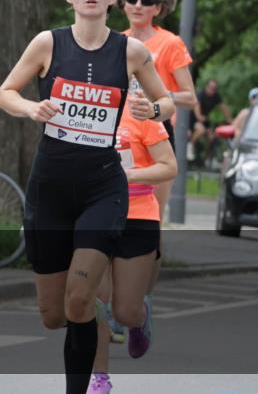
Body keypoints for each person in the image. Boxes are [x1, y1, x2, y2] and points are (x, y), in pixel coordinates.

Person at [0, 0, 174, 394]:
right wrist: (31, 107)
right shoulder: (47, 44)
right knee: (54, 313)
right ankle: (87, 318)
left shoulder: (131, 51)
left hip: (102, 187)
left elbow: (167, 102)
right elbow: (4, 93)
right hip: (51, 187)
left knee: (79, 299)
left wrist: (149, 109)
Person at [88, 96, 178, 394]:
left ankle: (139, 317)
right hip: (94, 213)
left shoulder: (141, 110)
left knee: (124, 311)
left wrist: (127, 175)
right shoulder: (81, 109)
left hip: (138, 215)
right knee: (96, 302)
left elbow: (168, 166)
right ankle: (99, 377)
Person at [118, 0, 197, 214]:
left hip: (157, 130)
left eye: (147, 1)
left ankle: (152, 249)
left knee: (153, 213)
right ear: (124, 5)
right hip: (122, 130)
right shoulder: (116, 42)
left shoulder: (170, 43)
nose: (138, 5)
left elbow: (190, 97)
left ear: (158, 8)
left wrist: (159, 98)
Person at [188, 79, 233, 163]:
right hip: (193, 119)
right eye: (211, 87)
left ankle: (206, 158)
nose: (212, 90)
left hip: (205, 120)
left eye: (214, 88)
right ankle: (190, 145)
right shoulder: (201, 95)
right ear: (206, 87)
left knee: (212, 137)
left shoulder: (216, 96)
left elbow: (224, 107)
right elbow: (197, 112)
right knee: (201, 130)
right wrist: (201, 117)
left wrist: (229, 118)